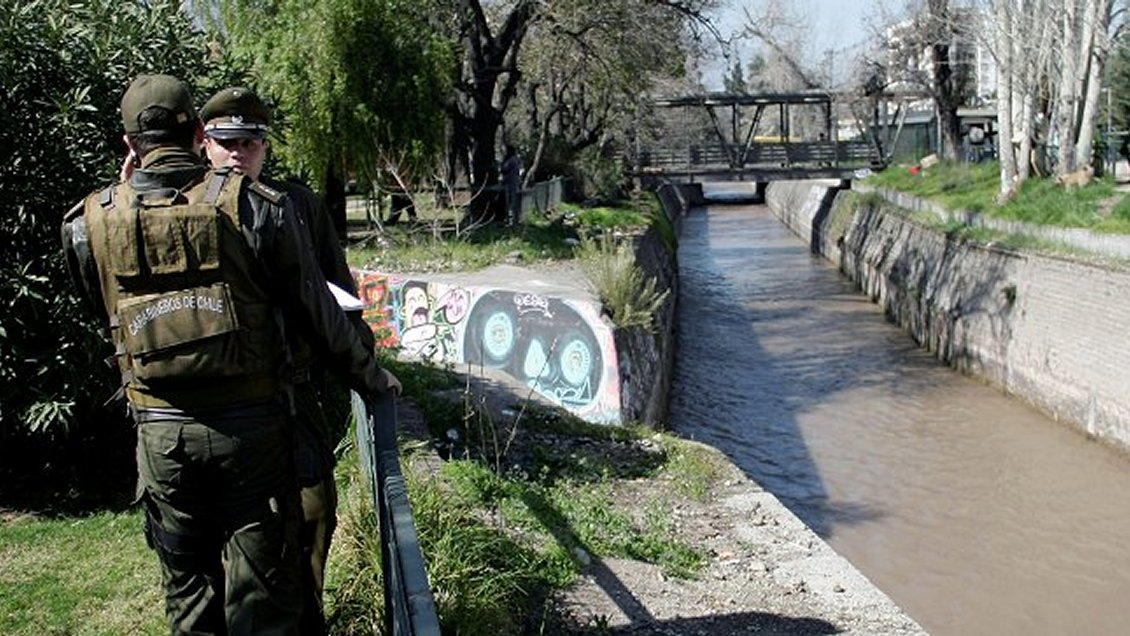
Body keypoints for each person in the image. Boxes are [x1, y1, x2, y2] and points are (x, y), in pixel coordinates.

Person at [60, 74, 400, 635]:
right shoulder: (256, 208)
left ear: (128, 143)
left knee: (188, 594)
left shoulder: (87, 222)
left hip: (161, 434)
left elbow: (104, 309)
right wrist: (371, 378)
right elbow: (321, 313)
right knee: (263, 598)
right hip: (253, 434)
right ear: (199, 134)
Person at [198, 85, 371, 634]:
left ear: (265, 147)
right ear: (205, 144)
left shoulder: (295, 205)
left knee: (314, 514)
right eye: (226, 142)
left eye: (249, 143)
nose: (238, 153)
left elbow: (339, 297)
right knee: (222, 536)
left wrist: (364, 367)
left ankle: (307, 619)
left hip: (289, 394)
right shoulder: (180, 206)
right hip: (209, 402)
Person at [500, 144, 523, 226]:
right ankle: (514, 220)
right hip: (514, 183)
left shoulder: (511, 160)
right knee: (514, 202)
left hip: (511, 183)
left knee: (510, 202)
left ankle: (511, 221)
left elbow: (504, 169)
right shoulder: (517, 159)